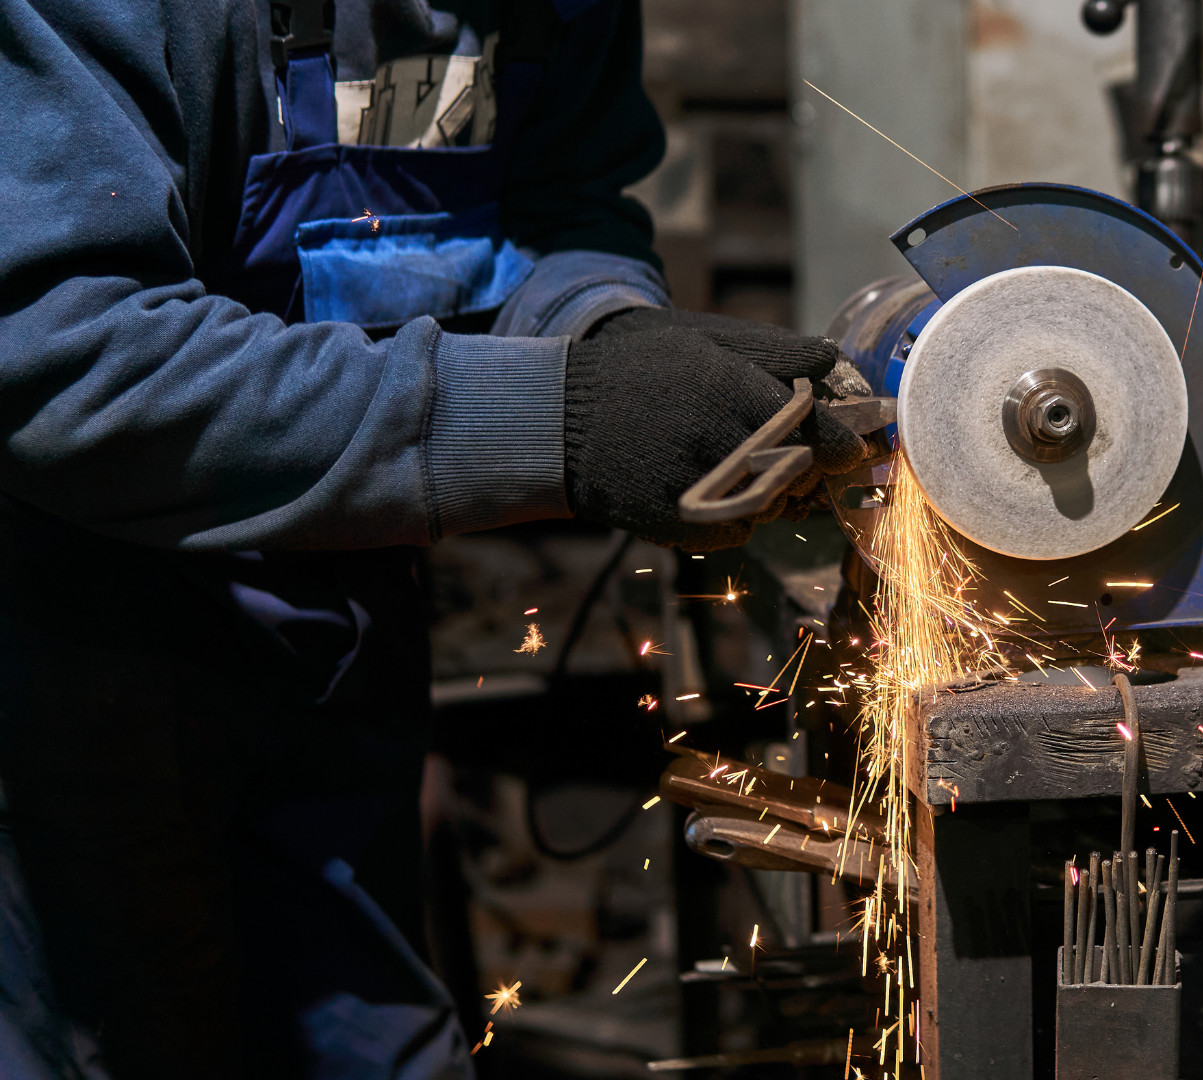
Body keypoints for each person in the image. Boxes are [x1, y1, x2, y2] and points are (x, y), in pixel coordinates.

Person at [0, 1, 864, 1076]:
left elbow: (557, 212)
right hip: (54, 655)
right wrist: (557, 419)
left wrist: (608, 333)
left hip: (332, 626)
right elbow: (61, 359)